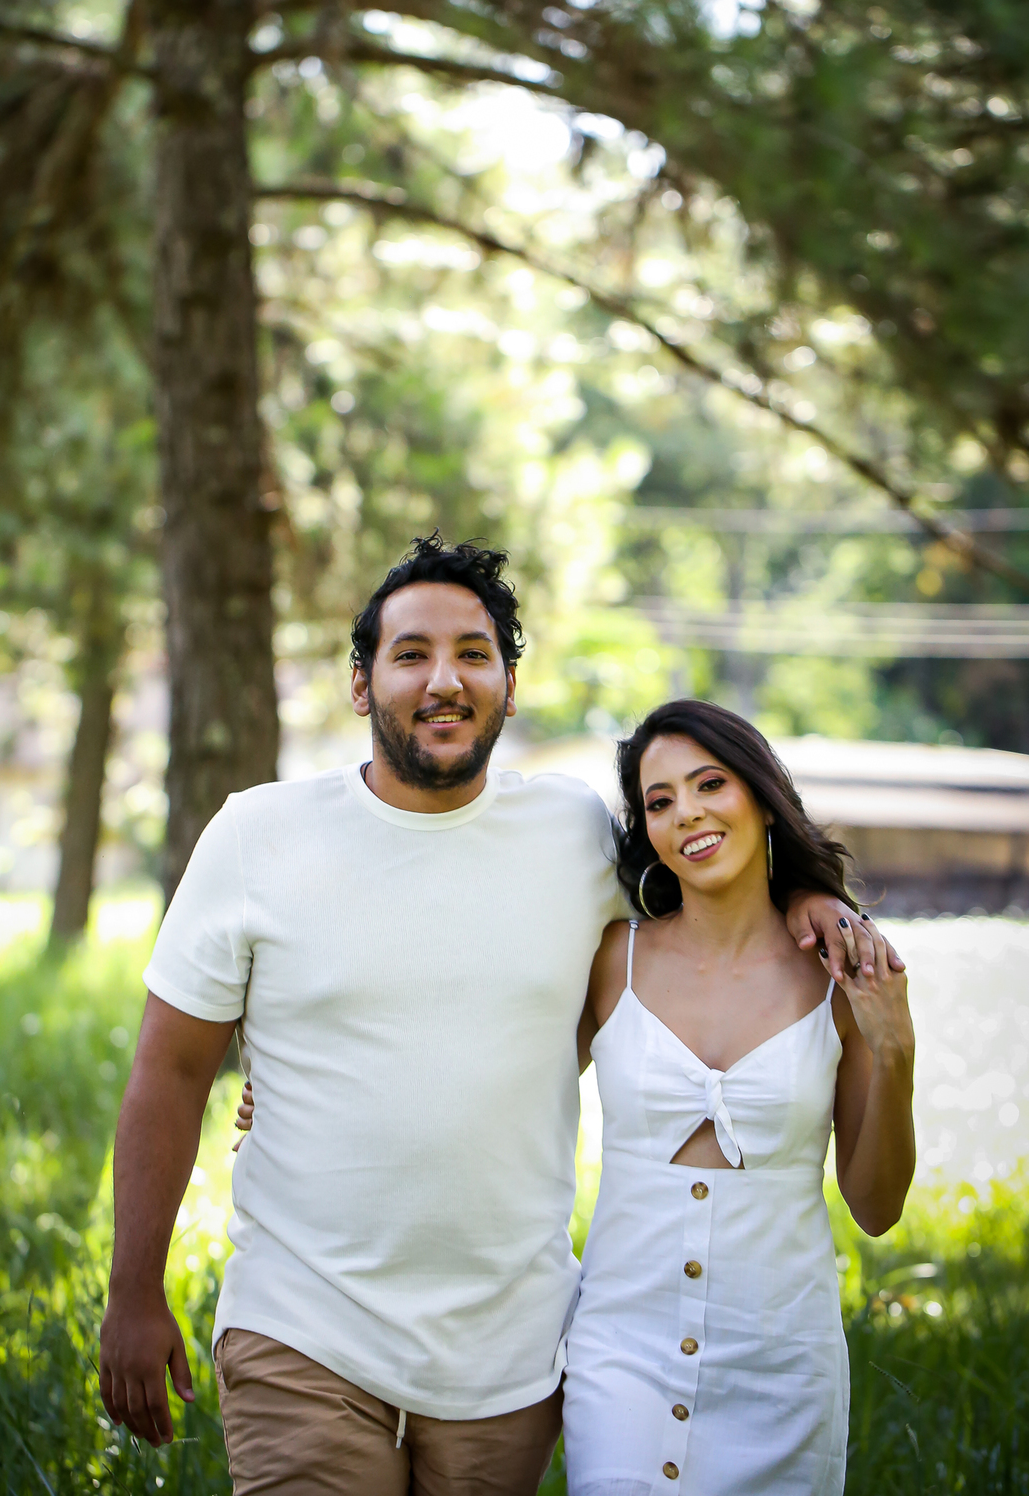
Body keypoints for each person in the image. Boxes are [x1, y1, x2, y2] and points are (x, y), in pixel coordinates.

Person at [98, 536, 890, 1495]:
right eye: (411, 654)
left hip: (508, 1360)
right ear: (360, 684)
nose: (445, 679)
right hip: (303, 1327)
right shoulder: (257, 835)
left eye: (475, 654)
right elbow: (169, 1072)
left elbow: (705, 892)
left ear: (510, 688)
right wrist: (132, 1292)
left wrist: (815, 903)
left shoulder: (571, 835)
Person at [563, 699, 916, 1496]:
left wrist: (894, 1052)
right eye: (659, 802)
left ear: (759, 794)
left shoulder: (842, 979)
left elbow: (878, 1205)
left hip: (782, 1371)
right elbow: (505, 1089)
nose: (686, 812)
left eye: (709, 783)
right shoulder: (610, 960)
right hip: (621, 1354)